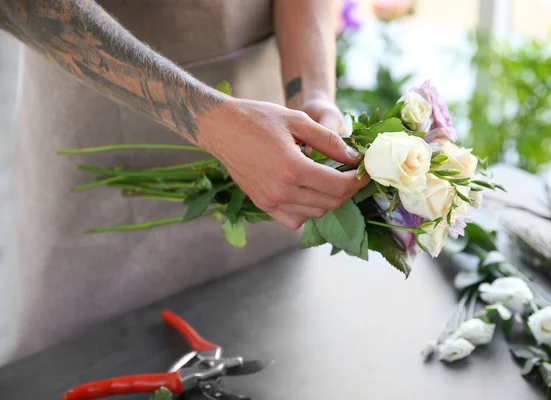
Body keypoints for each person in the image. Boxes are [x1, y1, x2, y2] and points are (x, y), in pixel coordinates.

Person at [0, 0, 369, 360]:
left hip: (270, 117)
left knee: (270, 342)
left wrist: (312, 94)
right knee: (93, 359)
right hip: (101, 119)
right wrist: (210, 120)